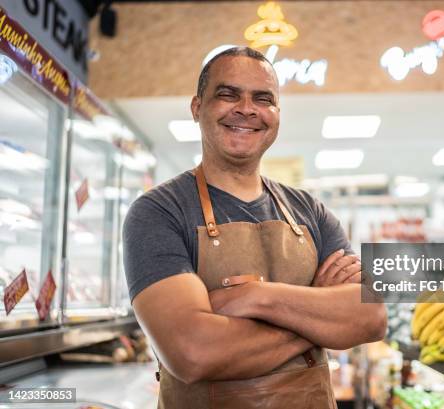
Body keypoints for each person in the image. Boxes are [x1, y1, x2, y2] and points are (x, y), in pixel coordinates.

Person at [123, 46, 387, 409]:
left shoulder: (310, 211)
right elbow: (193, 352)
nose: (246, 108)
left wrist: (253, 297)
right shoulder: (159, 212)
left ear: (276, 114)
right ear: (197, 108)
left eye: (263, 98)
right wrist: (315, 314)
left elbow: (372, 316)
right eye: (228, 94)